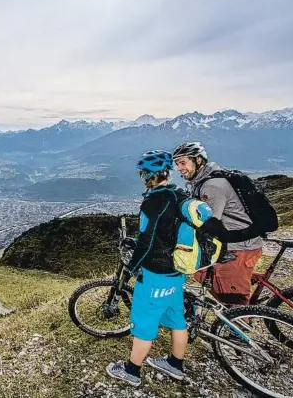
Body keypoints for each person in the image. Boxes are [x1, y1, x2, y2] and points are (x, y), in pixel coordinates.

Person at [106, 150, 188, 387]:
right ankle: (175, 364)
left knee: (144, 321)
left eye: (143, 173)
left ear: (150, 176)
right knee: (177, 318)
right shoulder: (178, 195)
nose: (142, 177)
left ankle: (131, 371)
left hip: (157, 273)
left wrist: (132, 267)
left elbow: (147, 240)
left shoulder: (154, 201)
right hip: (177, 268)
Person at [172, 142, 263, 305]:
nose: (179, 168)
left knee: (233, 304)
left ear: (198, 161)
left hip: (238, 247)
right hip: (234, 242)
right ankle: (240, 282)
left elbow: (208, 222)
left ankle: (238, 322)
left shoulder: (212, 186)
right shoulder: (203, 181)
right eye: (177, 163)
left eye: (183, 162)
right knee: (201, 273)